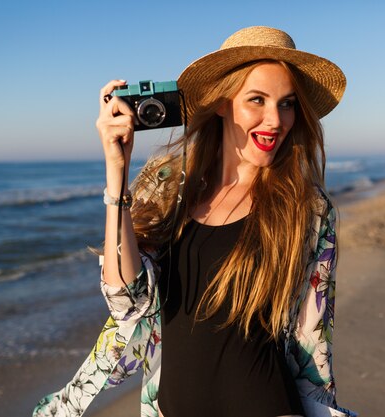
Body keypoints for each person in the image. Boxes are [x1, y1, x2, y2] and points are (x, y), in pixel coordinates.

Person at [34, 26, 355, 417]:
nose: (275, 120)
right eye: (257, 100)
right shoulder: (167, 188)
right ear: (222, 103)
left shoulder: (307, 209)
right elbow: (126, 301)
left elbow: (313, 338)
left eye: (286, 104)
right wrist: (116, 173)